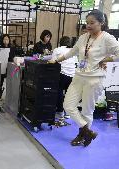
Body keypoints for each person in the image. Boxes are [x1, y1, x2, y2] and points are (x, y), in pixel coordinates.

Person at [49, 9, 119, 147]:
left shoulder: (107, 38)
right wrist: (56, 60)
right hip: (78, 77)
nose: (88, 25)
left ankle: (82, 135)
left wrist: (109, 58)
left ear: (101, 23)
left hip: (94, 79)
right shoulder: (83, 37)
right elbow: (72, 52)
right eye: (87, 22)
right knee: (68, 105)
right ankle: (88, 132)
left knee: (87, 111)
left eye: (92, 23)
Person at [51, 36, 77, 121]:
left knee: (59, 92)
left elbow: (53, 61)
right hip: (73, 75)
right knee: (68, 94)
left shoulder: (57, 50)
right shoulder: (73, 50)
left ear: (60, 42)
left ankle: (60, 112)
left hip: (63, 74)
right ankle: (68, 113)